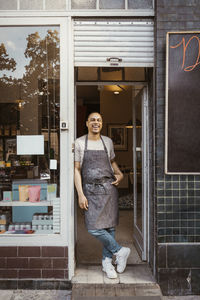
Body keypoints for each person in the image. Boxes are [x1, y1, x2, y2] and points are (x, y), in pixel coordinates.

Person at [74, 112, 130, 279]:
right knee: (93, 227)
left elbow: (111, 162)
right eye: (92, 120)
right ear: (86, 123)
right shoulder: (79, 143)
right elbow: (76, 169)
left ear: (102, 123)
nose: (96, 123)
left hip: (108, 189)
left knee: (110, 227)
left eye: (98, 120)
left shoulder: (108, 142)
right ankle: (120, 251)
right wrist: (80, 194)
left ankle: (107, 263)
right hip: (90, 190)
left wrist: (119, 174)